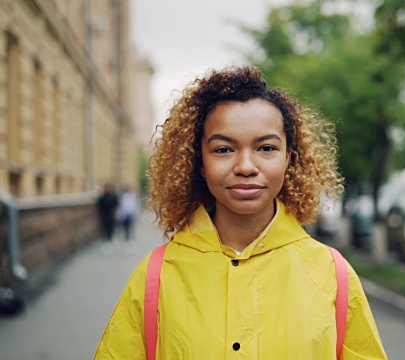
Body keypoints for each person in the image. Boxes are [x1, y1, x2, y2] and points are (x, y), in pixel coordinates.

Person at [94, 66, 388, 359]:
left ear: (288, 157)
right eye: (223, 149)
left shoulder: (333, 275)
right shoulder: (155, 277)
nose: (246, 166)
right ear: (199, 162)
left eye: (266, 148)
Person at [96, 182, 119, 254]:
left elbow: (116, 205)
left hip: (111, 216)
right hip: (104, 216)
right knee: (104, 229)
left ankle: (109, 241)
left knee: (110, 229)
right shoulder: (102, 197)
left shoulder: (113, 196)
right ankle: (105, 242)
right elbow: (99, 206)